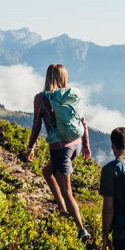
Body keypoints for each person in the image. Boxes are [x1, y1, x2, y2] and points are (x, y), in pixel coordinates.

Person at [26, 63, 92, 239]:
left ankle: (81, 229)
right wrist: (86, 146)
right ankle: (63, 210)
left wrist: (30, 146)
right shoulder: (71, 96)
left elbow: (36, 125)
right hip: (76, 145)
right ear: (64, 78)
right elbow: (83, 122)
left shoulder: (41, 98)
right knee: (47, 171)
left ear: (48, 77)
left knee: (67, 191)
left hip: (60, 149)